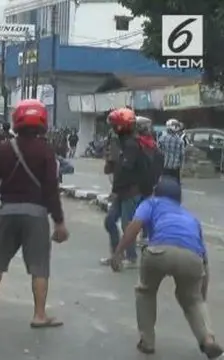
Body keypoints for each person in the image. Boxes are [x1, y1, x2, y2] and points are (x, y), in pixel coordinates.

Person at [0, 99, 69, 326]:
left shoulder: (3, 149)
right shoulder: (46, 152)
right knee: (39, 267)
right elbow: (50, 189)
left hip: (7, 213)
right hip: (36, 216)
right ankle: (39, 315)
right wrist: (59, 221)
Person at [110, 177, 223, 359]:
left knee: (146, 291)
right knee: (193, 300)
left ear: (157, 193)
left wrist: (118, 252)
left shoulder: (151, 203)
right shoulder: (190, 217)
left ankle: (147, 341)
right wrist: (202, 294)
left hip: (159, 251)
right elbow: (204, 260)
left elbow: (134, 226)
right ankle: (208, 339)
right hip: (192, 257)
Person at [100, 108, 146, 268]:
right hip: (121, 192)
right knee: (109, 221)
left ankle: (131, 258)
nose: (112, 128)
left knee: (128, 227)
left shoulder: (132, 145)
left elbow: (127, 170)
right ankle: (115, 255)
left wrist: (115, 165)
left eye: (114, 125)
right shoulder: (123, 143)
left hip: (131, 193)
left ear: (121, 126)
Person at [158, 118, 184, 184]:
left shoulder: (162, 138)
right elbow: (182, 155)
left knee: (164, 184)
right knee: (175, 184)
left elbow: (158, 152)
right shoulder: (180, 140)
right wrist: (181, 166)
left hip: (165, 166)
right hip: (175, 167)